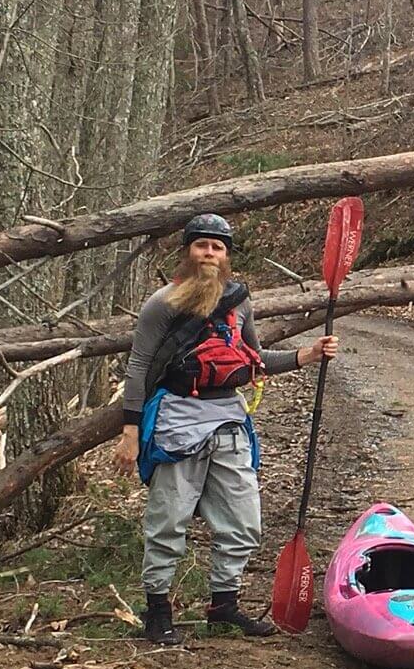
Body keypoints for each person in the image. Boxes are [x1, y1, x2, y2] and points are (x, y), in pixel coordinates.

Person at [113, 213, 339, 645]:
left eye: (218, 247)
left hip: (229, 422)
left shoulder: (237, 303)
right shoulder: (163, 303)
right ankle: (157, 611)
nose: (209, 254)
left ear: (227, 256)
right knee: (168, 523)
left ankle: (223, 606)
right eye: (202, 246)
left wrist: (306, 355)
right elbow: (139, 366)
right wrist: (130, 431)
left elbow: (254, 358)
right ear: (187, 252)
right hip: (176, 425)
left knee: (244, 521)